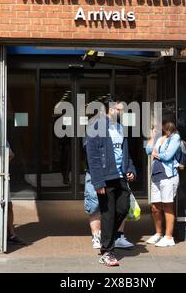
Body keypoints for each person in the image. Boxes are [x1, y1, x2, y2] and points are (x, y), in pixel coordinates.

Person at [85, 99, 136, 267]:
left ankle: (107, 239)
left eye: (123, 110)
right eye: (119, 109)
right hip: (106, 178)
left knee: (123, 208)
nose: (121, 112)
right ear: (110, 109)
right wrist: (98, 181)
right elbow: (92, 157)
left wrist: (131, 169)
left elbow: (126, 153)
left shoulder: (120, 128)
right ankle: (107, 252)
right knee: (108, 213)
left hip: (121, 176)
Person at [145, 121, 181, 247]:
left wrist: (156, 154)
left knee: (167, 206)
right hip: (156, 176)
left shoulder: (175, 138)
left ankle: (169, 236)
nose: (156, 128)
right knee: (155, 207)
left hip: (168, 176)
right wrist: (153, 137)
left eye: (157, 126)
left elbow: (167, 156)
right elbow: (148, 150)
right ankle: (158, 234)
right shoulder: (159, 138)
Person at [84, 171, 134, 250]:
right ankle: (97, 237)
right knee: (94, 204)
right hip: (96, 172)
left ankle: (117, 236)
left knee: (119, 205)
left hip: (117, 173)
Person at [7, 142, 26, 246]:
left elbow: (11, 155)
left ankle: (11, 234)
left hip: (4, 175)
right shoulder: (3, 140)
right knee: (8, 206)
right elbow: (11, 155)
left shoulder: (5, 141)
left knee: (9, 206)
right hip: (2, 176)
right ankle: (10, 234)